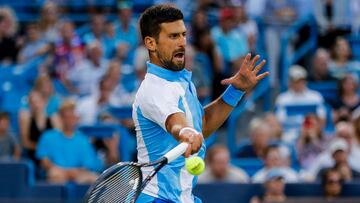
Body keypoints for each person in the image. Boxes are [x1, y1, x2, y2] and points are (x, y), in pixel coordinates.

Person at [134, 5, 268, 203]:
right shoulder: (155, 89)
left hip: (181, 197)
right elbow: (177, 124)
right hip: (157, 198)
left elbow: (202, 125)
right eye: (173, 36)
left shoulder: (181, 81)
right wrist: (186, 133)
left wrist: (236, 90)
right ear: (151, 43)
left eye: (183, 35)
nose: (182, 43)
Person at [36, 100, 103, 183]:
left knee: (93, 179)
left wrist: (73, 172)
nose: (70, 120)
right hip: (58, 172)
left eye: (72, 117)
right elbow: (44, 161)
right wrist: (64, 172)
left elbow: (87, 165)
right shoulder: (48, 136)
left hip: (78, 174)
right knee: (55, 175)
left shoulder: (83, 139)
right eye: (66, 117)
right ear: (61, 117)